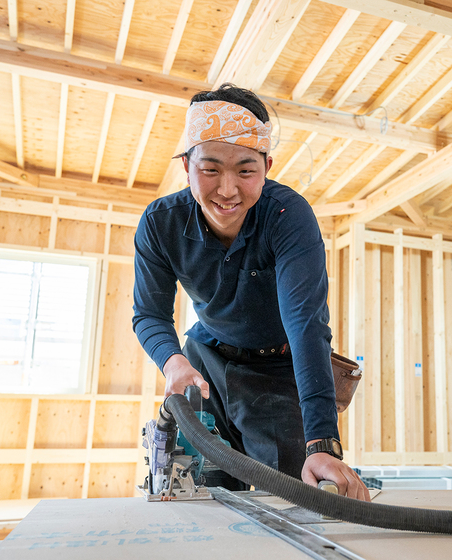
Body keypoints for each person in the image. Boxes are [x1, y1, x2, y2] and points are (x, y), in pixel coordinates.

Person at [133, 84, 369, 501]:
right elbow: (150, 314)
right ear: (186, 165)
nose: (227, 190)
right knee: (203, 496)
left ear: (266, 166)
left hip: (276, 369)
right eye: (210, 170)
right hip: (204, 363)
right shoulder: (160, 223)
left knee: (299, 497)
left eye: (245, 170)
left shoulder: (287, 216)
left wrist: (321, 443)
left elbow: (305, 325)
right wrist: (172, 362)